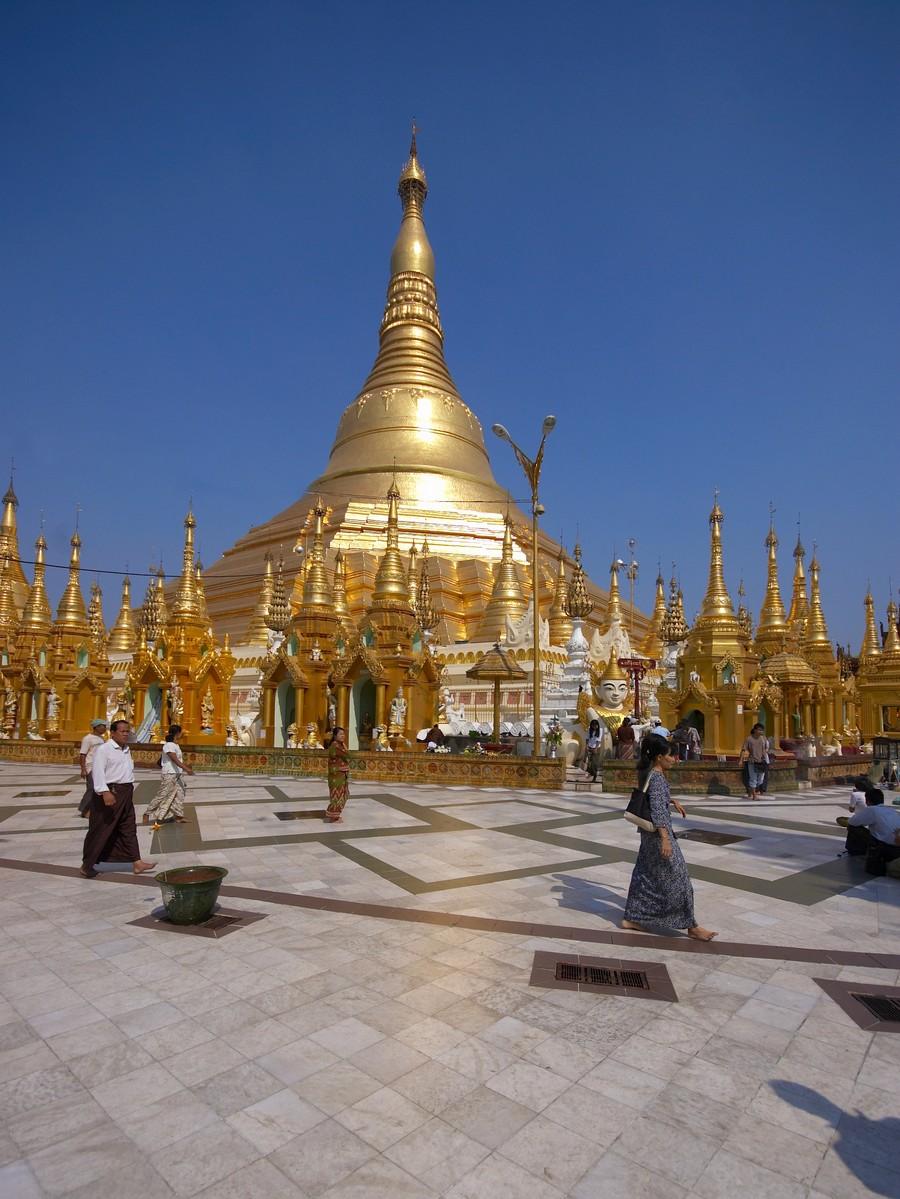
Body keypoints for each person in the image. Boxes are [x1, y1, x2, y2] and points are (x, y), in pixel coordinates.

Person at [622, 734, 717, 941]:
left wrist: (671, 800)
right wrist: (665, 839)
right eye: (670, 756)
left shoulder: (652, 773)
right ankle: (691, 925)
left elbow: (656, 799)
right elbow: (656, 810)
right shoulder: (656, 777)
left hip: (649, 835)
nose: (674, 759)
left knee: (645, 875)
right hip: (658, 836)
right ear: (658, 758)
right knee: (679, 879)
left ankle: (632, 917)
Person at [81, 720, 156, 878]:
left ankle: (137, 862)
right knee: (101, 828)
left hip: (126, 792)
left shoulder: (126, 749)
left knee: (128, 827)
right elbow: (98, 772)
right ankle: (87, 865)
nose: (125, 734)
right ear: (113, 733)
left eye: (127, 731)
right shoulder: (104, 749)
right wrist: (104, 792)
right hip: (111, 792)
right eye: (122, 731)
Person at [143, 724, 193, 825]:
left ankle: (179, 816)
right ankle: (147, 813)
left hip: (177, 774)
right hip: (169, 773)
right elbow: (174, 759)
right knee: (163, 794)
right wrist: (187, 768)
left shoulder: (175, 745)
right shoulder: (169, 745)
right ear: (177, 733)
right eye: (181, 732)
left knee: (179, 794)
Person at [844, 788, 900, 876]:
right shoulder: (891, 810)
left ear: (867, 801)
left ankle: (856, 850)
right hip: (897, 847)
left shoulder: (872, 810)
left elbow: (852, 821)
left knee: (853, 827)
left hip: (885, 847)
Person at [77, 718, 107, 816]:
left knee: (98, 789)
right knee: (91, 789)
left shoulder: (101, 739)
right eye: (103, 726)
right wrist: (83, 769)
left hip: (100, 767)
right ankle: (84, 809)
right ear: (97, 727)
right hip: (91, 767)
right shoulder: (88, 739)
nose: (105, 728)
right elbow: (82, 754)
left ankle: (93, 809)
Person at [324, 725, 350, 822]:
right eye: (341, 734)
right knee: (336, 796)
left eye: (344, 734)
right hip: (336, 775)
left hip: (342, 775)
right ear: (335, 736)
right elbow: (348, 755)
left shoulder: (340, 745)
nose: (343, 736)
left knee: (343, 794)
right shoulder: (336, 745)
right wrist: (345, 748)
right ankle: (333, 816)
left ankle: (335, 814)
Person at [740, 723, 769, 800]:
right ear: (755, 730)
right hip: (752, 761)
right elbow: (743, 750)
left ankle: (750, 790)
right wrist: (741, 760)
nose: (761, 731)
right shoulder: (749, 739)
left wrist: (765, 756)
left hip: (761, 761)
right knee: (753, 778)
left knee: (760, 779)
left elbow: (766, 748)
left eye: (762, 730)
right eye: (759, 730)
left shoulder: (763, 739)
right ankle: (754, 796)